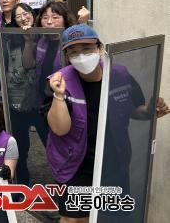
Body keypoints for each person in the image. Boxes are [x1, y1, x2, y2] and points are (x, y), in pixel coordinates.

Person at [46, 25, 170, 222]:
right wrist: (59, 95)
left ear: (99, 48)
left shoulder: (119, 74)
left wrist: (151, 111)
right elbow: (60, 129)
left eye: (86, 49)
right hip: (75, 163)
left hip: (113, 159)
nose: (81, 56)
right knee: (74, 218)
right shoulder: (60, 81)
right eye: (74, 52)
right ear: (67, 56)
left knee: (109, 215)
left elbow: (135, 109)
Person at [2, 3, 49, 185]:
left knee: (50, 141)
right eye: (18, 16)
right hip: (18, 101)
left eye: (26, 13)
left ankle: (62, 181)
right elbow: (8, 67)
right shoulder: (10, 39)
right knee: (20, 145)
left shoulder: (45, 35)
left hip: (41, 101)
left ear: (33, 14)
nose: (23, 18)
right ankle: (22, 183)